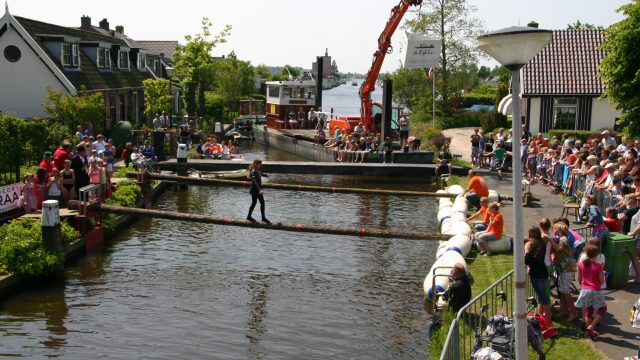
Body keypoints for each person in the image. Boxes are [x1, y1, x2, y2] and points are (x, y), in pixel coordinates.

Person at [575, 244, 607, 338]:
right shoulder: (598, 266)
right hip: (595, 289)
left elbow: (579, 278)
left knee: (589, 310)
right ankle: (592, 326)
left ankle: (588, 331)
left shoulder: (581, 264)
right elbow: (602, 280)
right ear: (596, 255)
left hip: (585, 289)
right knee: (602, 308)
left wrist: (583, 286)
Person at [525, 227, 552, 322]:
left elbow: (527, 260)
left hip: (536, 274)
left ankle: (548, 321)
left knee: (544, 298)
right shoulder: (542, 243)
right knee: (541, 296)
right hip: (543, 271)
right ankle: (541, 316)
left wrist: (527, 250)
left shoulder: (530, 244)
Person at [246, 159, 270, 223]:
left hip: (257, 189)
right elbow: (254, 181)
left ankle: (262, 217)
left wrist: (265, 175)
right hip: (255, 190)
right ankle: (251, 217)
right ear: (256, 164)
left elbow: (260, 173)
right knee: (256, 203)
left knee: (260, 203)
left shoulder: (256, 170)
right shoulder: (253, 171)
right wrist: (259, 190)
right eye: (260, 164)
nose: (261, 165)